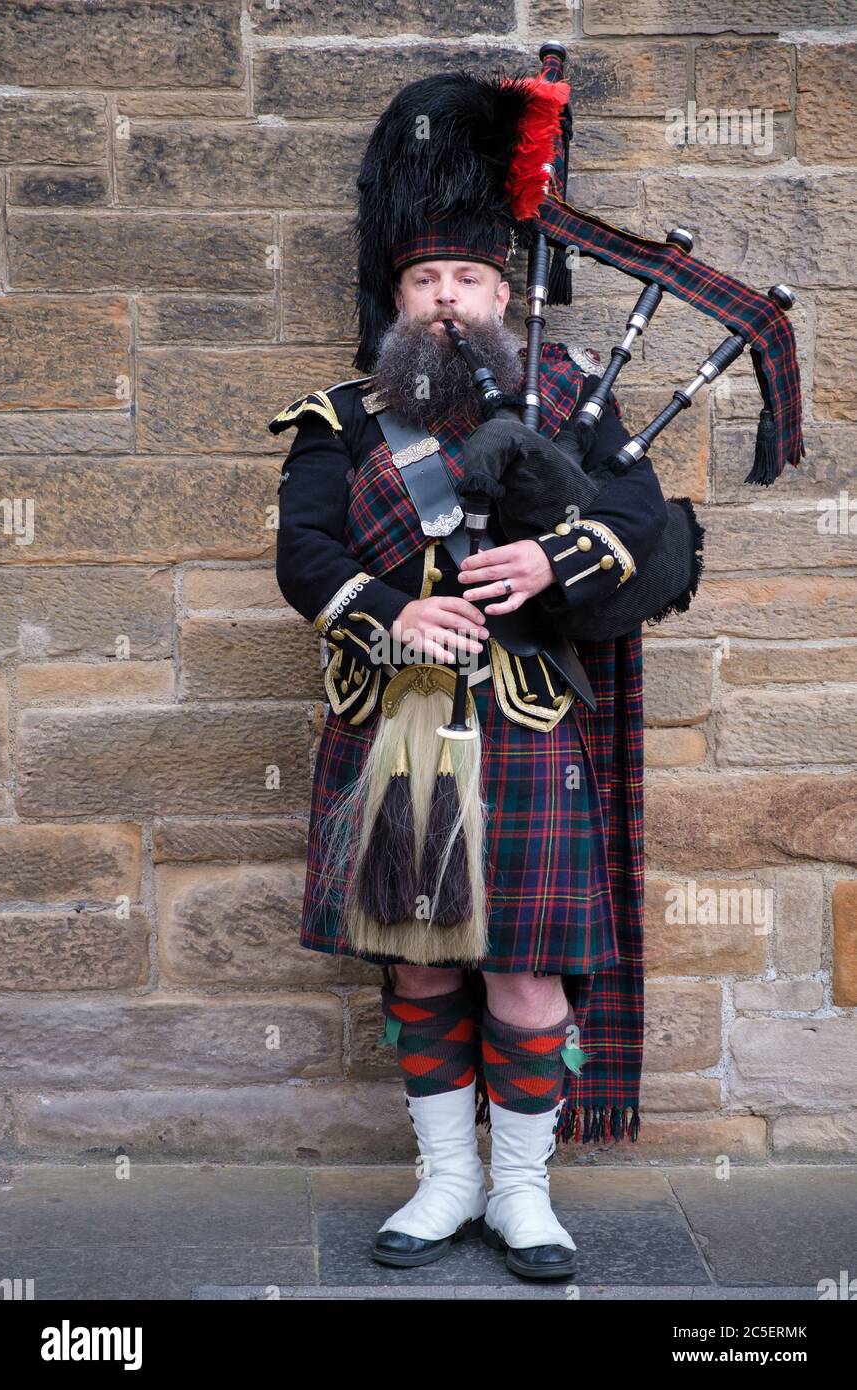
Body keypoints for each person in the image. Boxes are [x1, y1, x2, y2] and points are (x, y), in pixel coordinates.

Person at [267, 64, 802, 1282]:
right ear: (394, 297)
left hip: (521, 723)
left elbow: (638, 514)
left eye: (466, 278)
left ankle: (519, 1191)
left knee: (520, 965)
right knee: (415, 956)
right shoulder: (341, 419)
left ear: (502, 294)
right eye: (424, 280)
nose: (446, 299)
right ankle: (442, 1178)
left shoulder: (571, 400)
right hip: (396, 721)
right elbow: (301, 552)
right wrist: (396, 611)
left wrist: (548, 557)